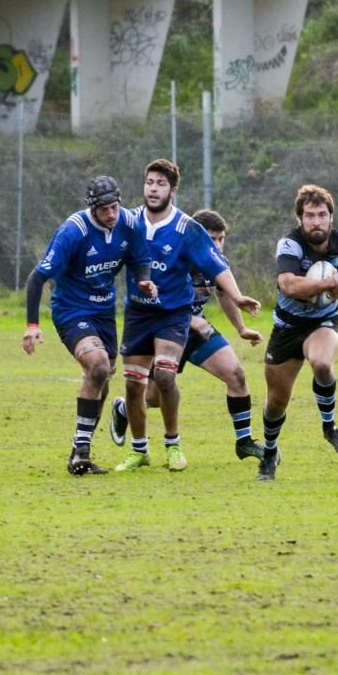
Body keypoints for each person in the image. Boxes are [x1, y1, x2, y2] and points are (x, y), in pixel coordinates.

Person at [114, 159, 261, 473]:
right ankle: (138, 448)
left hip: (173, 317)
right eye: (149, 182)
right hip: (139, 315)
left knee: (168, 377)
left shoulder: (187, 230)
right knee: (137, 389)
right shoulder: (129, 222)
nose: (153, 189)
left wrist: (239, 301)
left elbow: (220, 273)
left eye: (161, 184)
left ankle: (174, 445)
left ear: (173, 190)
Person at [22, 175, 156, 476]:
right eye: (104, 209)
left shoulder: (130, 224)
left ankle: (78, 452)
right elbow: (37, 278)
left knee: (102, 379)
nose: (111, 214)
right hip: (71, 310)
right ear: (92, 208)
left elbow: (139, 258)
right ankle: (81, 452)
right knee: (97, 367)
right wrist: (32, 324)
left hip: (104, 312)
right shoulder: (74, 231)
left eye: (115, 207)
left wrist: (144, 279)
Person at [259, 184, 338, 481]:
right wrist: (328, 285)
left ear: (331, 218)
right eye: (310, 215)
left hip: (322, 322)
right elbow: (288, 284)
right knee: (276, 403)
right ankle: (270, 453)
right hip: (287, 327)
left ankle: (330, 427)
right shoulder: (290, 245)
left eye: (322, 215)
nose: (316, 221)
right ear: (300, 219)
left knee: (323, 364)